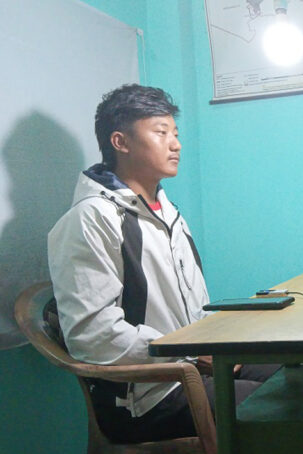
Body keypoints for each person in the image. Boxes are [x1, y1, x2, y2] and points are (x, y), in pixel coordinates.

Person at [48, 84, 279, 443]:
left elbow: (192, 309)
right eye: (161, 132)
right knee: (282, 405)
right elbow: (91, 335)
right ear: (120, 142)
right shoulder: (91, 219)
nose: (176, 144)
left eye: (176, 133)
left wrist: (215, 346)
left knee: (295, 375)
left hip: (189, 365)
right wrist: (192, 353)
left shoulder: (167, 213)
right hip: (145, 397)